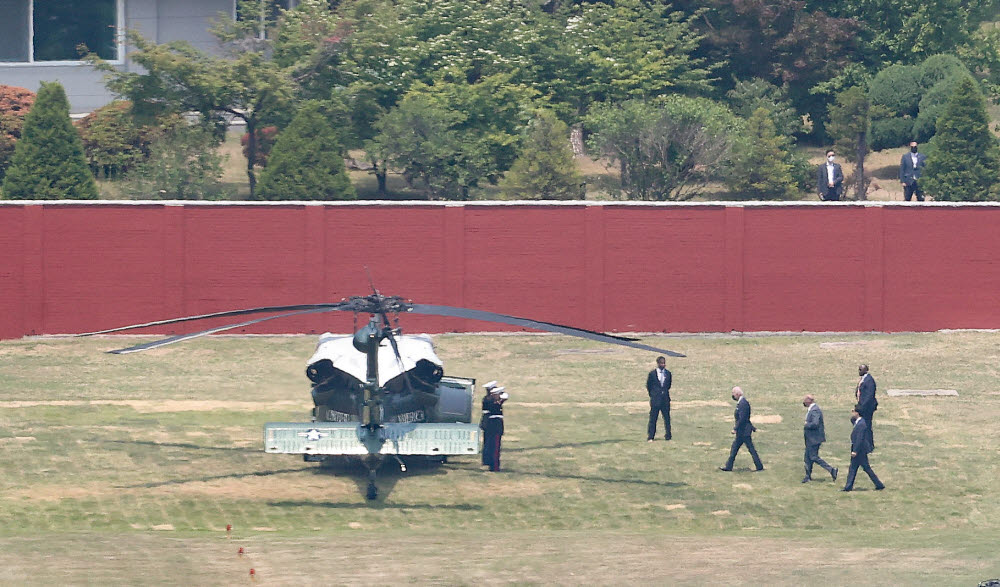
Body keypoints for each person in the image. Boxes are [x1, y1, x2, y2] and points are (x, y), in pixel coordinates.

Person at [719, 387, 764, 472]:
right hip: (743, 431)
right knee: (737, 449)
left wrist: (735, 429)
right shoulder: (742, 403)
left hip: (743, 432)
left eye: (733, 393)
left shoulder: (743, 403)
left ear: (737, 394)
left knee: (746, 449)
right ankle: (729, 466)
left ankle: (729, 467)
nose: (732, 395)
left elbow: (743, 418)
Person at [842, 408, 884, 492]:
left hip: (860, 450)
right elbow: (852, 420)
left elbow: (859, 439)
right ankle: (848, 486)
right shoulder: (858, 422)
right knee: (856, 468)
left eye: (853, 411)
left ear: (857, 413)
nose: (852, 412)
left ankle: (879, 484)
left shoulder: (861, 424)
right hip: (859, 450)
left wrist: (855, 451)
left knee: (863, 468)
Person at [801, 395, 837, 483]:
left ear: (810, 400)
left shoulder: (815, 410)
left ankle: (831, 469)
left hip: (814, 438)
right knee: (807, 458)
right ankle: (807, 476)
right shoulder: (812, 409)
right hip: (811, 439)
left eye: (805, 400)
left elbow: (815, 423)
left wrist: (806, 425)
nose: (804, 401)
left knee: (813, 457)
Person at [645, 356, 672, 441]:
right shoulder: (652, 374)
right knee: (653, 418)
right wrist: (653, 395)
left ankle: (668, 435)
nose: (663, 365)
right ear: (658, 363)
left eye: (664, 363)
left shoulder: (668, 373)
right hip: (655, 400)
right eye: (661, 363)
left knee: (667, 418)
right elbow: (648, 385)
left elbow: (668, 385)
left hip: (665, 400)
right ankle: (651, 436)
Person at [482, 385, 508, 472]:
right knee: (495, 447)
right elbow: (504, 398)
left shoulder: (489, 400)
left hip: (491, 426)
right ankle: (495, 466)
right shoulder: (494, 403)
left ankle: (490, 463)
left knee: (490, 446)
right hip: (495, 426)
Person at [855, 364, 877, 451]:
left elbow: (869, 395)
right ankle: (863, 443)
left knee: (867, 425)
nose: (859, 371)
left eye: (860, 369)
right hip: (862, 406)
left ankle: (869, 446)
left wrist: (862, 406)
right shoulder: (863, 379)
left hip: (867, 408)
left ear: (865, 370)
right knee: (862, 425)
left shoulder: (869, 380)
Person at [480, 381, 498, 466]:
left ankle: (485, 460)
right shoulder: (490, 399)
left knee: (487, 442)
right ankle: (488, 460)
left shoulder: (486, 398)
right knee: (490, 443)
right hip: (490, 422)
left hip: (486, 421)